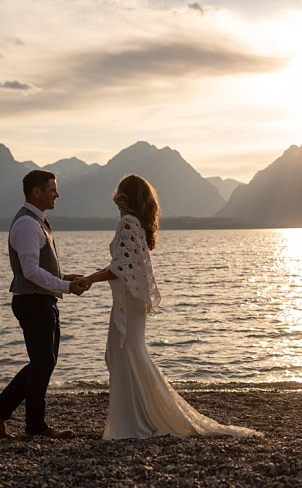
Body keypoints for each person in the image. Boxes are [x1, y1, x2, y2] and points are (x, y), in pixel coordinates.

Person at [82, 174, 260, 439]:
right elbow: (123, 265)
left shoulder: (128, 223)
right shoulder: (137, 225)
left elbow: (120, 268)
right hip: (132, 302)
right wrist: (88, 277)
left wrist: (89, 279)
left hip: (130, 303)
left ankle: (133, 422)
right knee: (127, 354)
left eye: (119, 193)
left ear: (124, 196)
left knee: (126, 354)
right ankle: (136, 418)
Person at [0, 170, 90, 440]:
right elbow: (29, 271)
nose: (57, 194)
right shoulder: (28, 224)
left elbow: (37, 269)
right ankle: (23, 422)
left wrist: (64, 278)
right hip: (33, 301)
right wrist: (66, 287)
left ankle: (9, 417)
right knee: (42, 362)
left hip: (40, 299)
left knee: (43, 362)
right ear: (36, 192)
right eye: (52, 189)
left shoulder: (35, 222)